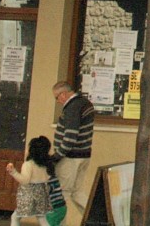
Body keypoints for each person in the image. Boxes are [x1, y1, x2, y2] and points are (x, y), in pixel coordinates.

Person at [52, 80, 95, 213]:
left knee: (61, 194)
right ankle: (94, 219)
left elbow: (70, 136)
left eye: (56, 97)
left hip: (70, 157)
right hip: (84, 154)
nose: (57, 101)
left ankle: (57, 222)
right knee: (77, 192)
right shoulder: (85, 103)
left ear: (63, 94)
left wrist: (56, 156)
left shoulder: (72, 108)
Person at [7, 136, 54, 226]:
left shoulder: (28, 164)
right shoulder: (46, 164)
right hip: (42, 193)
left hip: (28, 194)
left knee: (15, 217)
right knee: (42, 218)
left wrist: (13, 172)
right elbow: (48, 177)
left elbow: (25, 181)